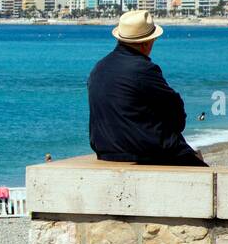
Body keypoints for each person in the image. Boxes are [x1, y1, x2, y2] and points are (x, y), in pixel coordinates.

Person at [87, 10, 206, 167]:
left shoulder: (99, 67)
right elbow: (175, 110)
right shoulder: (143, 69)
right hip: (144, 151)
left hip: (106, 150)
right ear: (146, 42)